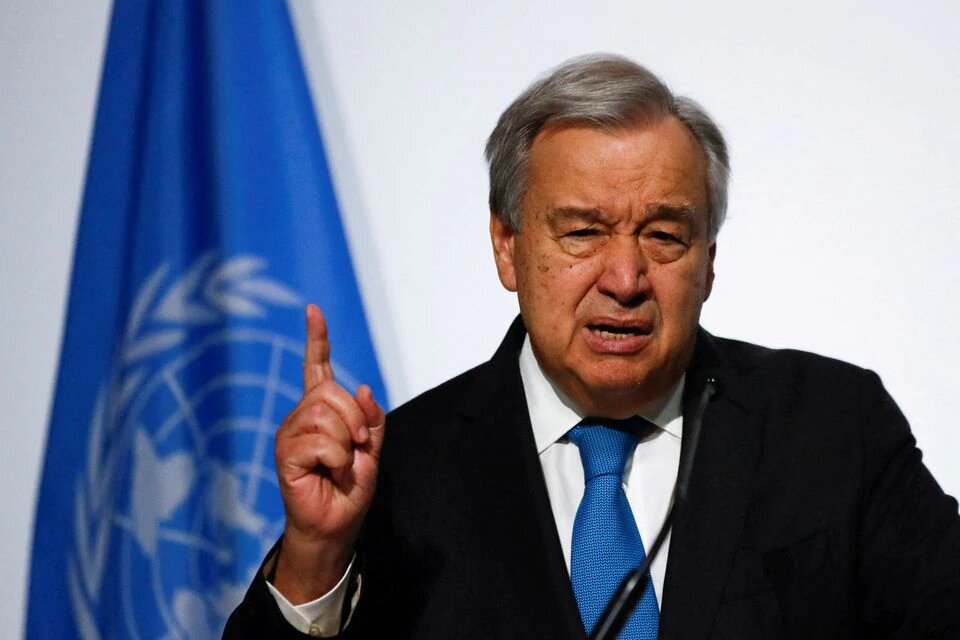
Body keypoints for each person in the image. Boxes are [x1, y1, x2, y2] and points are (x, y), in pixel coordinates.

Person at [224, 54, 960, 638]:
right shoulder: (400, 473)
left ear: (709, 260)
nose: (626, 278)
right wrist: (315, 558)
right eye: (583, 232)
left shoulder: (833, 429)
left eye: (664, 235)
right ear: (507, 247)